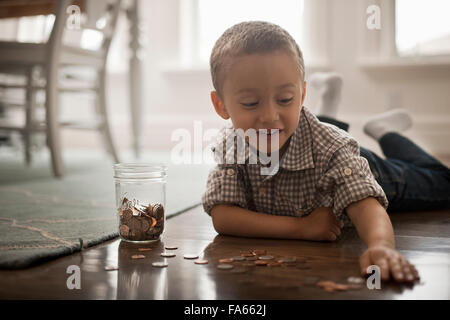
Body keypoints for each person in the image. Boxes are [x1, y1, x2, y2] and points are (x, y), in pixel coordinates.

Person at [201, 21, 446, 284]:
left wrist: (381, 246)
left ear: (303, 93)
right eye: (251, 103)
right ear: (221, 105)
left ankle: (385, 131)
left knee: (443, 183)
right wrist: (301, 228)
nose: (270, 116)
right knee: (297, 126)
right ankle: (329, 101)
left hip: (371, 171)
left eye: (285, 99)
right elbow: (223, 214)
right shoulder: (230, 144)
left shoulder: (334, 148)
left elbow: (365, 206)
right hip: (310, 141)